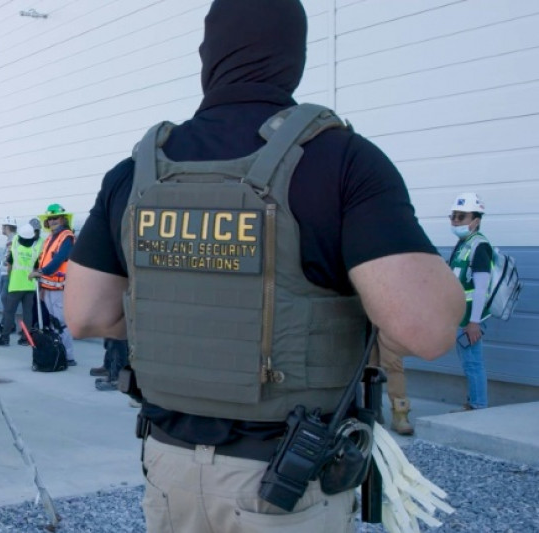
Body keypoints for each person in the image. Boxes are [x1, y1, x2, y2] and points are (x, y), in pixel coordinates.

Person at [63, 1, 466, 530]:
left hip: (167, 467)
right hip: (288, 481)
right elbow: (426, 330)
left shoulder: (134, 172)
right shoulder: (343, 160)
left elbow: (86, 315)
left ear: (207, 57)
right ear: (295, 59)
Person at [448, 192, 492, 411]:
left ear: (476, 220)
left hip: (471, 319)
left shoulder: (479, 246)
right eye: (453, 216)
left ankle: (478, 406)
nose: (456, 221)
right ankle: (473, 402)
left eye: (461, 216)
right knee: (469, 362)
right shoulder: (463, 243)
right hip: (462, 315)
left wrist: (474, 322)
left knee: (473, 362)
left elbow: (481, 288)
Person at [29, 204, 76, 366]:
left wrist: (41, 272)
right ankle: (57, 352)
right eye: (50, 219)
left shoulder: (67, 237)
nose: (52, 221)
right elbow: (43, 258)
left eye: (55, 218)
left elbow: (59, 259)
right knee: (53, 322)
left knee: (61, 323)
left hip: (60, 288)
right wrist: (38, 273)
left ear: (63, 219)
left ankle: (68, 356)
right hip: (49, 287)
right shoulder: (50, 238)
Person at [0, 222, 39, 346]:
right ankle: (25, 339)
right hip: (30, 286)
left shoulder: (15, 250)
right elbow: (36, 269)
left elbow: (9, 267)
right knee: (27, 313)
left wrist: (10, 278)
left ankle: (5, 338)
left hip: (16, 285)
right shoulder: (34, 252)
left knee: (9, 312)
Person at [0, 217, 18, 336]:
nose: (2, 228)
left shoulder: (13, 239)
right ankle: (7, 324)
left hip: (8, 274)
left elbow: (10, 256)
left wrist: (6, 264)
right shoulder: (11, 238)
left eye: (3, 226)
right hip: (4, 273)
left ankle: (7, 325)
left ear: (7, 227)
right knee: (5, 301)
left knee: (6, 300)